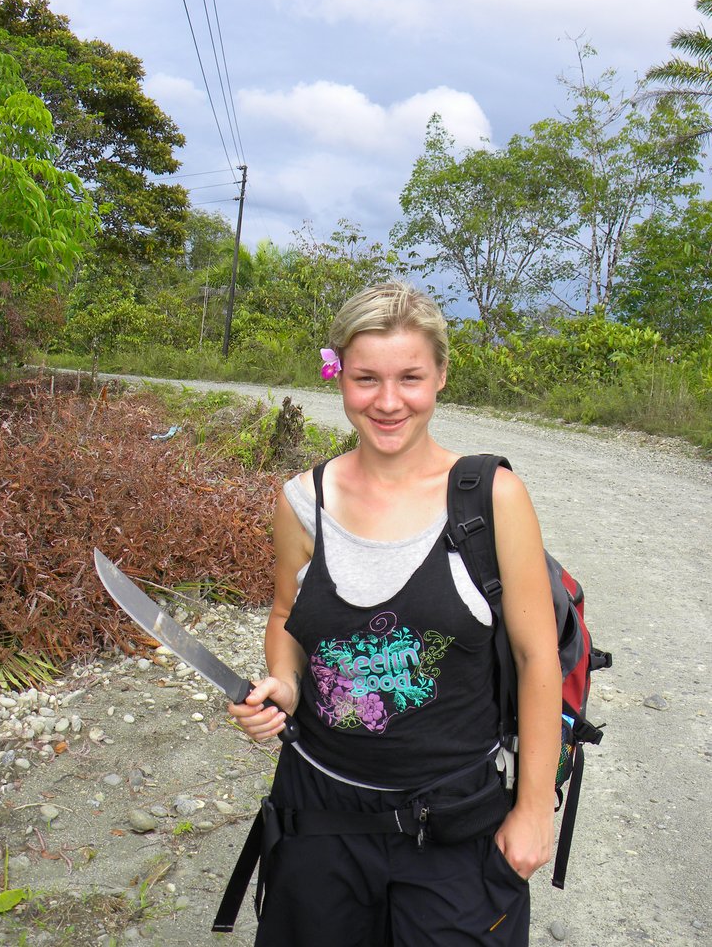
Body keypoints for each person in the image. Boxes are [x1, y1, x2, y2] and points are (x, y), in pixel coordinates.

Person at [228, 281, 562, 946]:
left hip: (456, 822)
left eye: (410, 377)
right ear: (338, 377)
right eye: (365, 378)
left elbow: (536, 657)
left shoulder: (493, 498)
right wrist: (285, 684)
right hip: (318, 812)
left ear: (439, 376)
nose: (387, 401)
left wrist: (531, 809)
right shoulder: (303, 499)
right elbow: (287, 614)